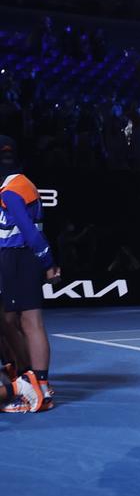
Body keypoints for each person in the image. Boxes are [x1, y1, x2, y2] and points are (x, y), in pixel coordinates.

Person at [0, 136, 58, 412]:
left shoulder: (12, 189)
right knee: (10, 320)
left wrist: (47, 261)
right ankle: (29, 380)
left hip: (20, 257)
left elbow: (30, 230)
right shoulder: (13, 185)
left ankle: (39, 389)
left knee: (31, 321)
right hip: (15, 258)